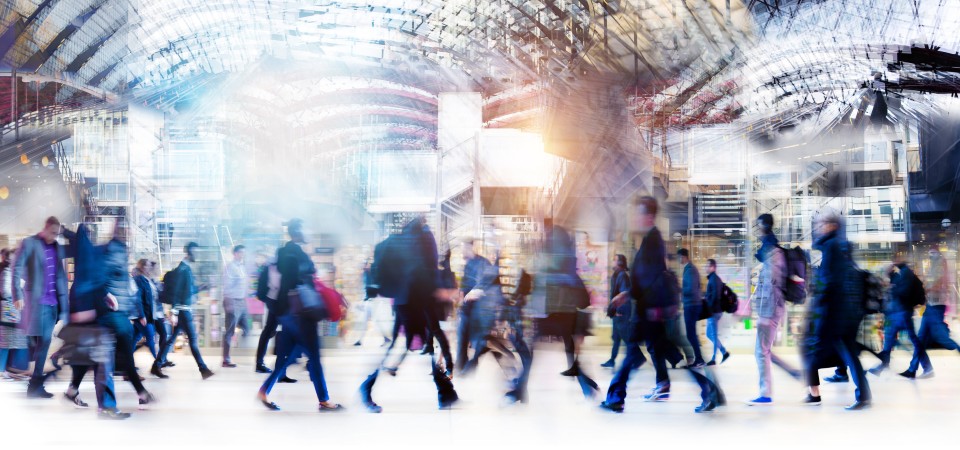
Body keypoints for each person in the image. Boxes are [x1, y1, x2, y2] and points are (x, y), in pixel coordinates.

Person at [601, 196, 722, 414]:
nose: (633, 218)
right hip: (649, 312)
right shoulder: (649, 240)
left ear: (647, 216)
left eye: (637, 214)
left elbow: (649, 279)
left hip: (650, 313)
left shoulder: (653, 241)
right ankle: (705, 390)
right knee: (664, 356)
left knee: (647, 355)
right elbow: (646, 278)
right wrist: (627, 295)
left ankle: (617, 397)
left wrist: (627, 295)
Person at [360, 217, 458, 413]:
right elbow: (424, 269)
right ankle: (367, 387)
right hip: (418, 300)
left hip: (405, 301)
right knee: (409, 346)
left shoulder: (402, 240)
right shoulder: (422, 237)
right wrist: (438, 290)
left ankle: (446, 393)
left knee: (422, 345)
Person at [257, 219, 343, 412]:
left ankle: (264, 390)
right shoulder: (295, 255)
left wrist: (280, 310)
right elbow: (295, 282)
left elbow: (270, 287)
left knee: (287, 356)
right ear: (297, 232)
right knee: (313, 354)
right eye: (305, 228)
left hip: (289, 314)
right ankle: (324, 399)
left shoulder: (282, 253)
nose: (308, 231)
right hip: (301, 313)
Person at [59, 223, 130, 419]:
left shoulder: (85, 255)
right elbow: (90, 283)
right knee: (102, 363)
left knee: (94, 361)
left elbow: (92, 282)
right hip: (91, 318)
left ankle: (83, 395)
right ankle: (106, 406)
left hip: (90, 316)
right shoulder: (90, 255)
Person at [802, 211, 871, 410]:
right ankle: (860, 393)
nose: (819, 227)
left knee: (840, 352)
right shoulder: (837, 247)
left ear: (832, 225)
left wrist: (819, 302)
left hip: (835, 314)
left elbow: (829, 282)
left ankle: (861, 395)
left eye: (822, 223)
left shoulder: (832, 247)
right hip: (841, 313)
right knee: (847, 353)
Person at [13, 216, 70, 398]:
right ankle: (35, 383)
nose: (54, 236)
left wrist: (65, 304)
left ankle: (35, 384)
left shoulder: (58, 246)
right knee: (38, 342)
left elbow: (61, 275)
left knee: (43, 343)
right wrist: (17, 293)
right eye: (52, 232)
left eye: (57, 233)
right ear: (45, 228)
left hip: (54, 303)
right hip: (36, 302)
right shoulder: (29, 243)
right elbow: (17, 267)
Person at [747, 213, 791, 406]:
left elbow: (771, 287)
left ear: (764, 226)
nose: (756, 231)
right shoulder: (771, 251)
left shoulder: (772, 253)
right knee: (764, 351)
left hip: (770, 310)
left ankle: (766, 393)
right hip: (770, 309)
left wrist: (764, 315)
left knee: (761, 352)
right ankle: (794, 374)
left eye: (758, 227)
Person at [152, 242, 214, 380]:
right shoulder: (183, 270)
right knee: (192, 339)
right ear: (188, 252)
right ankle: (203, 369)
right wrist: (173, 312)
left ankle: (157, 365)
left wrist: (201, 287)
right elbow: (177, 292)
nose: (197, 254)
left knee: (172, 339)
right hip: (183, 311)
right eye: (194, 251)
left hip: (183, 310)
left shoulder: (186, 269)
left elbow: (187, 291)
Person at [868, 255, 932, 379]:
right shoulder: (902, 273)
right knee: (890, 341)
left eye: (896, 259)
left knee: (913, 341)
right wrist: (890, 275)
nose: (894, 261)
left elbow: (903, 291)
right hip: (895, 313)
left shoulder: (906, 273)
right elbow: (897, 286)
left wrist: (892, 287)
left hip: (902, 313)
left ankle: (927, 367)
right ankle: (883, 365)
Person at [455, 239, 494, 372]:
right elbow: (464, 285)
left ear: (471, 247)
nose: (462, 251)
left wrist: (476, 291)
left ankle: (469, 366)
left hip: (478, 310)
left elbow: (487, 283)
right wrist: (461, 298)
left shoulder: (483, 263)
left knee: (478, 341)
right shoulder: (468, 264)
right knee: (462, 337)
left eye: (464, 248)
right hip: (467, 309)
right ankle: (461, 366)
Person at [915, 248, 960, 359]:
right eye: (930, 254)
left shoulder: (940, 268)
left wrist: (926, 290)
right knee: (921, 337)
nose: (930, 256)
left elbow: (939, 285)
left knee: (940, 336)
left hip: (936, 306)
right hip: (931, 306)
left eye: (933, 254)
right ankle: (915, 368)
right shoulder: (932, 269)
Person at [601, 254, 643, 369]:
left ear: (620, 263)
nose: (612, 261)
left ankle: (639, 358)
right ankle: (612, 360)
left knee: (626, 337)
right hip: (617, 311)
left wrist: (618, 309)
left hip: (622, 312)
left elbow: (624, 293)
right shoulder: (616, 275)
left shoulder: (622, 275)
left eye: (614, 259)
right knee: (616, 337)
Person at [0, 249, 30, 380]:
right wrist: (18, 291)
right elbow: (6, 291)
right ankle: (2, 369)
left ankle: (6, 369)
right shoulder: (6, 272)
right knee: (5, 342)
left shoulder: (11, 272)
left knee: (9, 342)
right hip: (9, 311)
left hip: (11, 312)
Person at [132, 260, 166, 370]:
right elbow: (138, 299)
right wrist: (141, 315)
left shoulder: (148, 280)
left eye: (149, 266)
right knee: (150, 338)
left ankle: (127, 363)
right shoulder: (139, 279)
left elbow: (154, 298)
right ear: (141, 267)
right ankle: (158, 363)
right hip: (144, 315)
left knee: (134, 338)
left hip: (149, 315)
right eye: (146, 266)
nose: (148, 268)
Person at [221, 245, 250, 368]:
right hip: (232, 301)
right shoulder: (231, 267)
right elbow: (226, 287)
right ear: (235, 254)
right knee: (229, 331)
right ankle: (226, 360)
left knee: (247, 328)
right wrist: (229, 304)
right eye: (241, 253)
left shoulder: (242, 267)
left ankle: (239, 349)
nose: (243, 255)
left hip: (241, 302)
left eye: (244, 252)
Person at [353, 260, 391, 347]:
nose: (364, 266)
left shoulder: (373, 274)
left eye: (365, 264)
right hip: (367, 301)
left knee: (375, 320)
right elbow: (362, 288)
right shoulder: (364, 275)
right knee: (365, 321)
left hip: (373, 301)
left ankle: (385, 338)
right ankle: (359, 339)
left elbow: (375, 286)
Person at [678, 248, 705, 367]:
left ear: (684, 257)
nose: (679, 260)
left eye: (679, 257)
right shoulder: (689, 269)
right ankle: (698, 358)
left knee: (691, 334)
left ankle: (699, 359)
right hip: (691, 304)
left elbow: (691, 289)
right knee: (691, 334)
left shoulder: (690, 270)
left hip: (692, 305)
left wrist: (680, 289)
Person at [704, 259, 730, 365]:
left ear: (713, 267)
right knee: (709, 334)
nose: (706, 267)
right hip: (715, 310)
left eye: (708, 266)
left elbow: (715, 296)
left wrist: (709, 307)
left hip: (714, 311)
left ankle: (714, 358)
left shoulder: (714, 279)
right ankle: (724, 352)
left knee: (713, 335)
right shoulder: (714, 279)